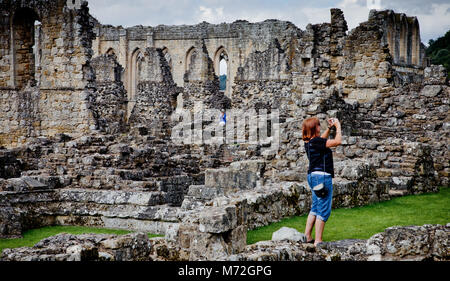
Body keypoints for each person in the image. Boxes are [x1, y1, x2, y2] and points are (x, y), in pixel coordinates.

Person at [302, 116, 342, 246]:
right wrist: (338, 126)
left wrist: (329, 128)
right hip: (322, 178)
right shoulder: (317, 142)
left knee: (315, 207)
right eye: (319, 125)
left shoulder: (309, 142)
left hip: (312, 176)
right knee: (323, 209)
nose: (320, 127)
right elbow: (337, 141)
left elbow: (322, 140)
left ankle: (307, 236)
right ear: (315, 128)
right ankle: (318, 241)